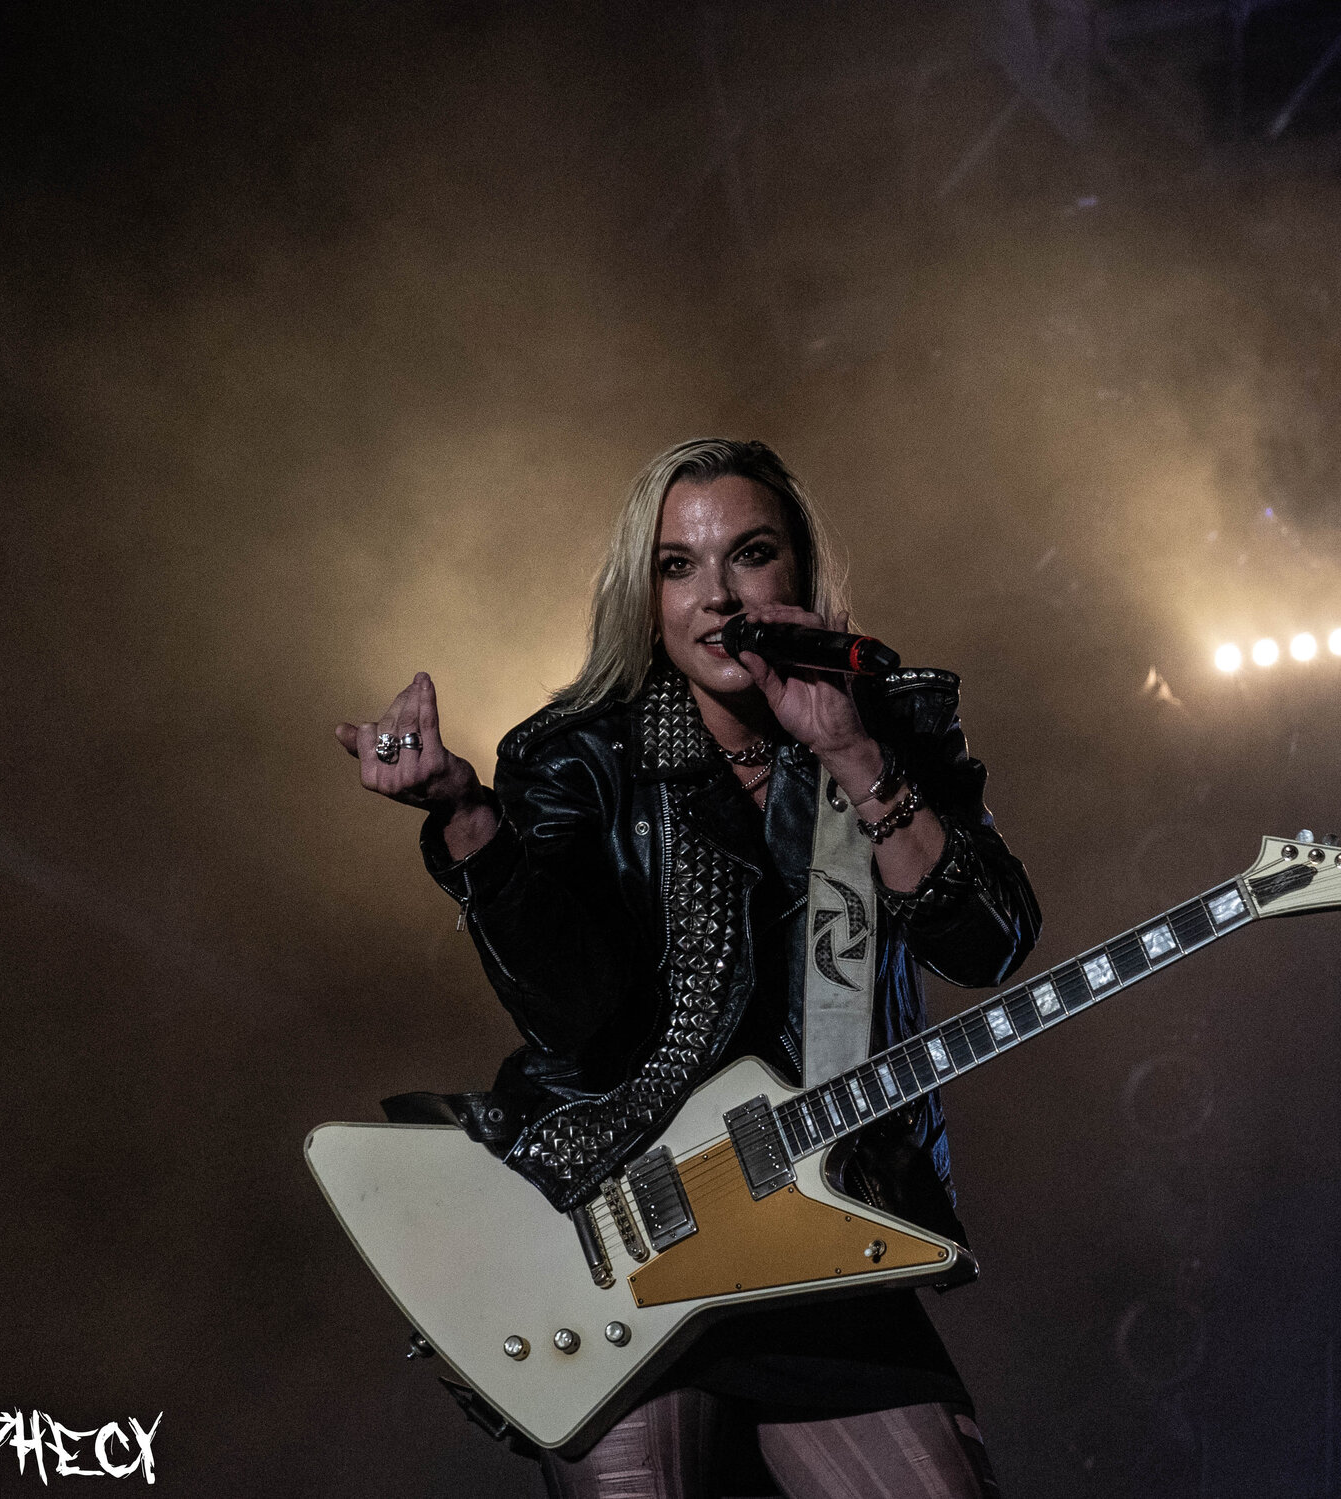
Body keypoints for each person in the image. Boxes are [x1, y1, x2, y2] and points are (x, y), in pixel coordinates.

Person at [335, 438, 1041, 1498]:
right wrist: (465, 817)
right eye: (677, 566)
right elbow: (578, 1015)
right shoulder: (578, 753)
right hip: (634, 1222)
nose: (714, 596)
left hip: (826, 1222)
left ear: (797, 575)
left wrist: (853, 755)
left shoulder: (888, 723)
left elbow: (989, 942)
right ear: (646, 593)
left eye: (747, 555)